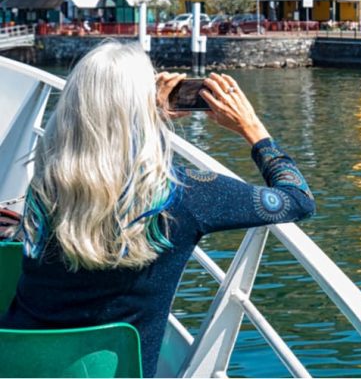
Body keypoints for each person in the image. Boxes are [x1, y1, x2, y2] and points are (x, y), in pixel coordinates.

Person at [0, 42, 315, 377]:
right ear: (140, 110)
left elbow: (106, 170)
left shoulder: (45, 183)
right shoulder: (188, 194)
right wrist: (252, 129)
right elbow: (298, 198)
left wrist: (151, 120)